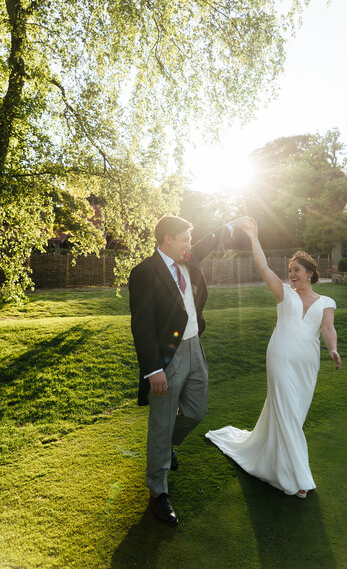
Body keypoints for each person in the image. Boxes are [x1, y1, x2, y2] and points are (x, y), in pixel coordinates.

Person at [206, 218, 341, 499]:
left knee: (293, 415)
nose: (291, 274)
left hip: (307, 365)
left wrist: (332, 349)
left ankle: (275, 462)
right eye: (289, 270)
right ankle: (299, 480)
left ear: (310, 273)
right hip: (279, 358)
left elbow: (327, 328)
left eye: (297, 270)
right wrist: (254, 237)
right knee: (288, 415)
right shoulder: (283, 294)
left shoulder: (327, 302)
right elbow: (264, 267)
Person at [129, 214, 249, 525]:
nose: (189, 244)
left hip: (196, 347)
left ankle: (167, 446)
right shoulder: (143, 272)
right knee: (161, 422)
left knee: (196, 412)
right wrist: (153, 369)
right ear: (167, 239)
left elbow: (210, 241)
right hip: (167, 358)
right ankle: (158, 493)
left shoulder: (187, 258)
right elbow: (141, 325)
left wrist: (235, 224)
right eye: (184, 238)